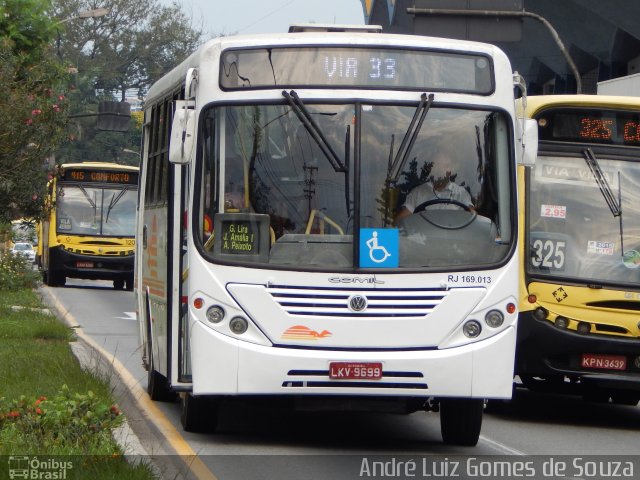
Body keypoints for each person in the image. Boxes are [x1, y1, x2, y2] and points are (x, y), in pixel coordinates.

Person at [394, 157, 474, 224]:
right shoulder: (418, 192)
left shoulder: (461, 193)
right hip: (421, 240)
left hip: (455, 241)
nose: (439, 173)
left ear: (449, 172)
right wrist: (385, 241)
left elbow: (473, 219)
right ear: (431, 171)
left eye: (443, 169)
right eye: (436, 169)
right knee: (385, 241)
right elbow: (400, 221)